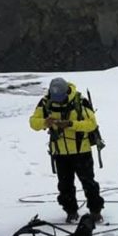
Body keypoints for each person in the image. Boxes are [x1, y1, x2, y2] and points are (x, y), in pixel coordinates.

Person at [30, 77, 105, 224]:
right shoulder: (45, 103)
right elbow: (33, 122)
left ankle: (95, 212)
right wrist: (45, 122)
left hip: (81, 151)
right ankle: (71, 212)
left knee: (88, 183)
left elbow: (92, 124)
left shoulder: (80, 101)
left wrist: (71, 124)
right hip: (60, 153)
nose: (58, 100)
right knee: (65, 186)